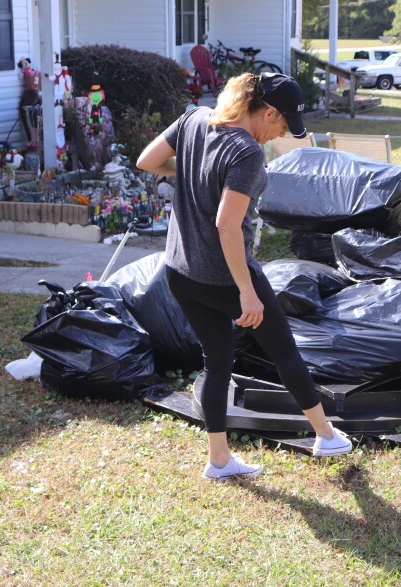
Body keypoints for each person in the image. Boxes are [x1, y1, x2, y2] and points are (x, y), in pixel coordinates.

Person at [137, 72, 352, 482]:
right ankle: (326, 435)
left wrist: (194, 167)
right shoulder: (246, 153)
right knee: (284, 350)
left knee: (216, 363)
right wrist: (246, 292)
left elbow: (146, 161)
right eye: (282, 125)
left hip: (180, 270)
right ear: (267, 111)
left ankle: (219, 460)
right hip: (222, 277)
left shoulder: (194, 119)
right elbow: (226, 226)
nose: (278, 135)